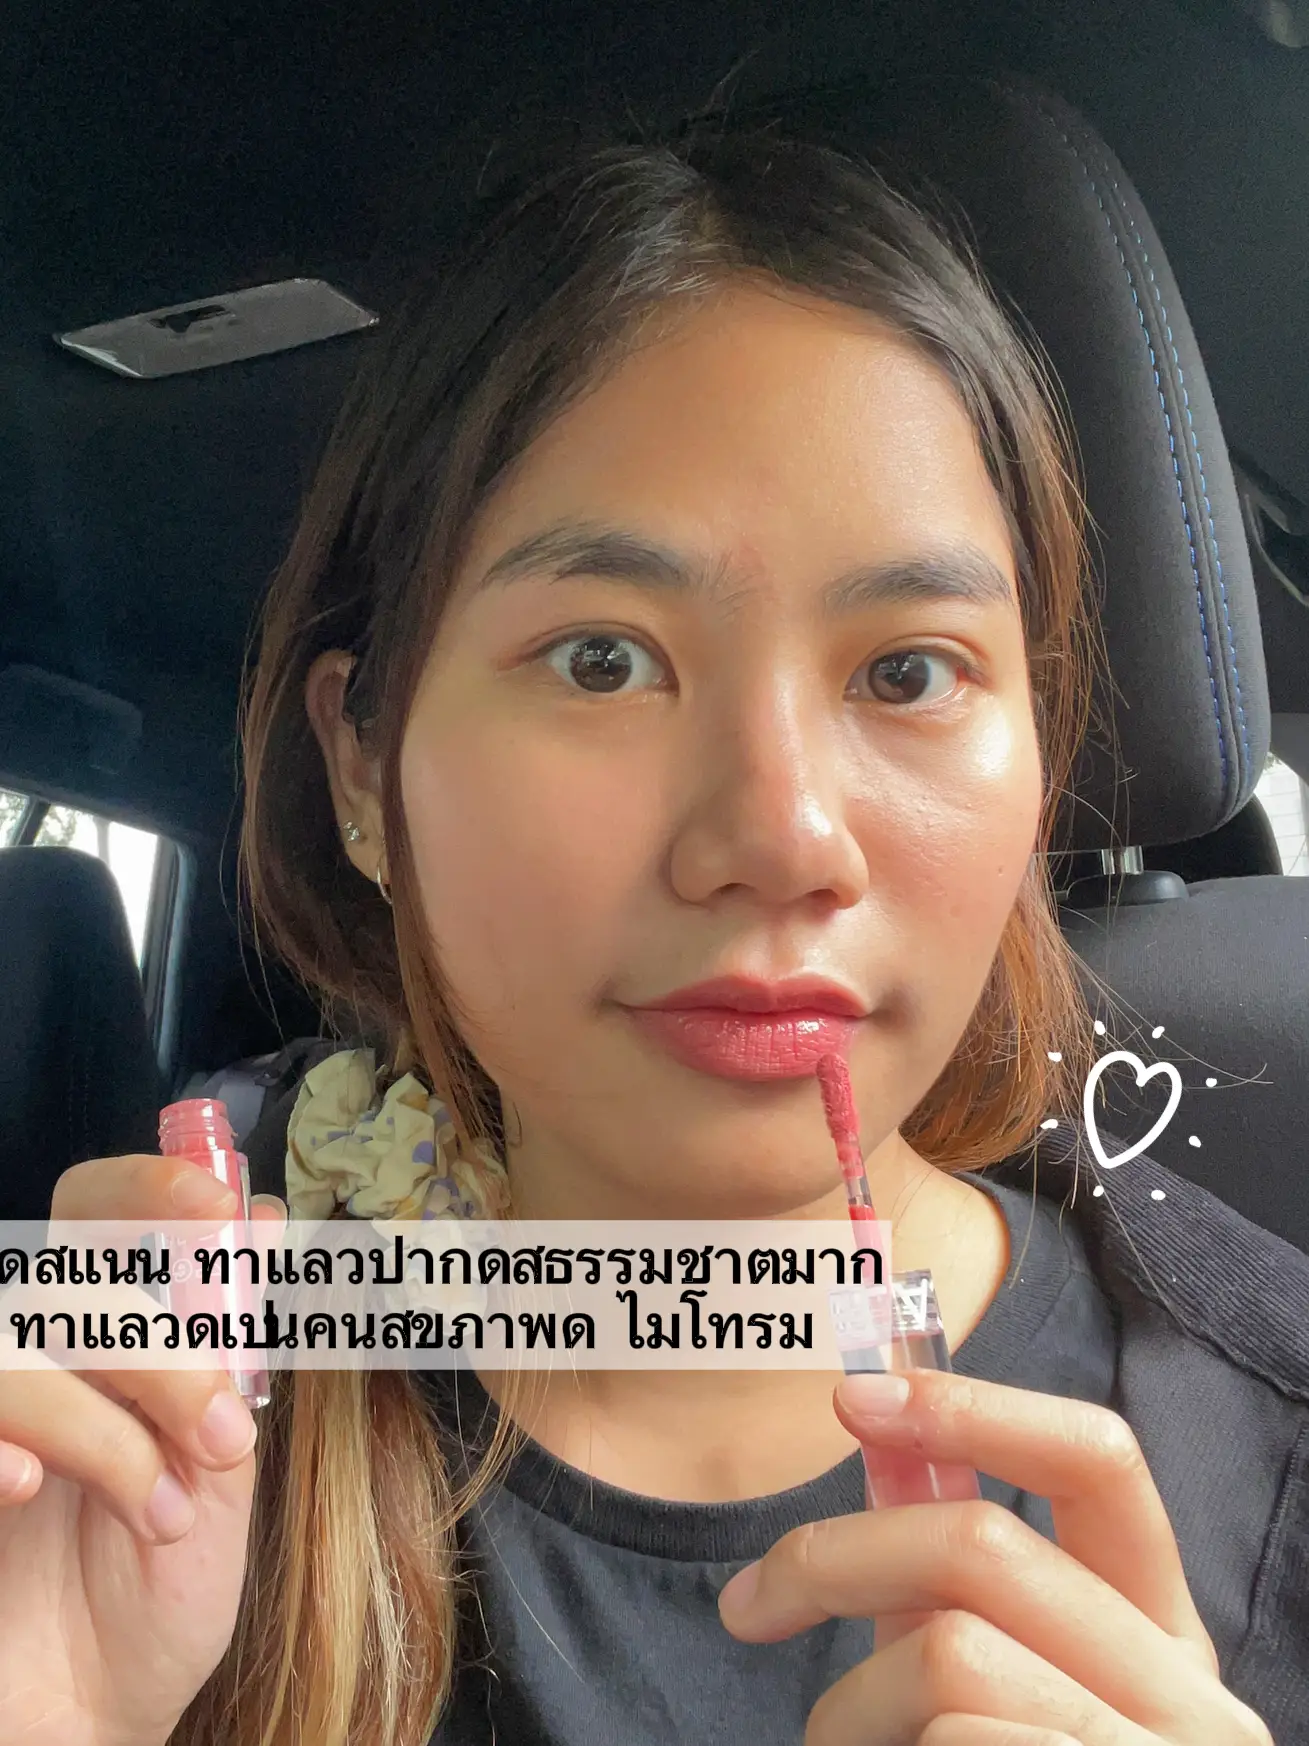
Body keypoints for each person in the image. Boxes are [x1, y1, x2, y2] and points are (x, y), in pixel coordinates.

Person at [0, 116, 1302, 1746]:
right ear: (363, 766)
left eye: (908, 671)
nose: (782, 837)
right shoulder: (136, 1433)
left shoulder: (1274, 1444)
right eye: (602, 660)